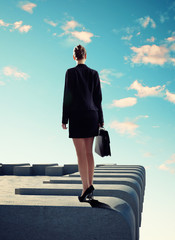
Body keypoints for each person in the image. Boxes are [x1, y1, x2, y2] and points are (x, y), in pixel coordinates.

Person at [61, 45, 104, 202]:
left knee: (80, 155)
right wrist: (101, 119)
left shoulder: (70, 73)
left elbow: (67, 96)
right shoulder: (94, 73)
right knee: (88, 153)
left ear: (74, 57)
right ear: (86, 55)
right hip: (92, 115)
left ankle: (85, 188)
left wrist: (64, 119)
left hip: (77, 116)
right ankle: (90, 186)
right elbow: (98, 99)